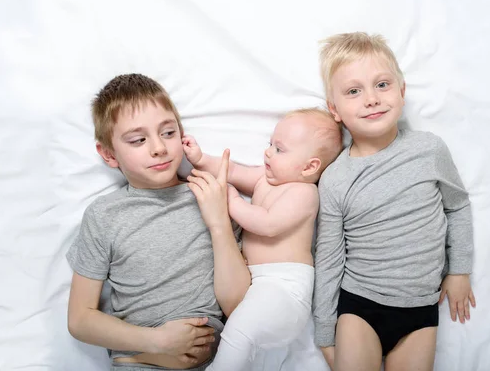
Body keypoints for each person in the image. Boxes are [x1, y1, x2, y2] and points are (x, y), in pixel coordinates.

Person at [313, 32, 477, 371]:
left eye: (382, 85)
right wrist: (325, 334)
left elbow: (457, 206)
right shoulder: (335, 178)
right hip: (360, 305)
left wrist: (459, 270)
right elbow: (329, 258)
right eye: (354, 91)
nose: (371, 99)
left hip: (420, 308)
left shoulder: (428, 149)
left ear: (402, 93)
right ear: (335, 109)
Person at [66, 73, 249, 371]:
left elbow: (240, 307)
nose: (159, 148)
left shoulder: (213, 195)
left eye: (167, 133)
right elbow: (80, 319)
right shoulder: (104, 215)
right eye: (139, 140)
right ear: (109, 155)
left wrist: (218, 224)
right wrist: (157, 342)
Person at [183, 108, 343, 371]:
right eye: (270, 144)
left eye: (279, 149)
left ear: (309, 166)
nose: (268, 152)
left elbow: (267, 224)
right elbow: (231, 170)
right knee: (253, 355)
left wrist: (232, 201)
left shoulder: (304, 193)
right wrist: (200, 159)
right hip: (256, 286)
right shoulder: (265, 178)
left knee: (240, 331)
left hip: (284, 289)